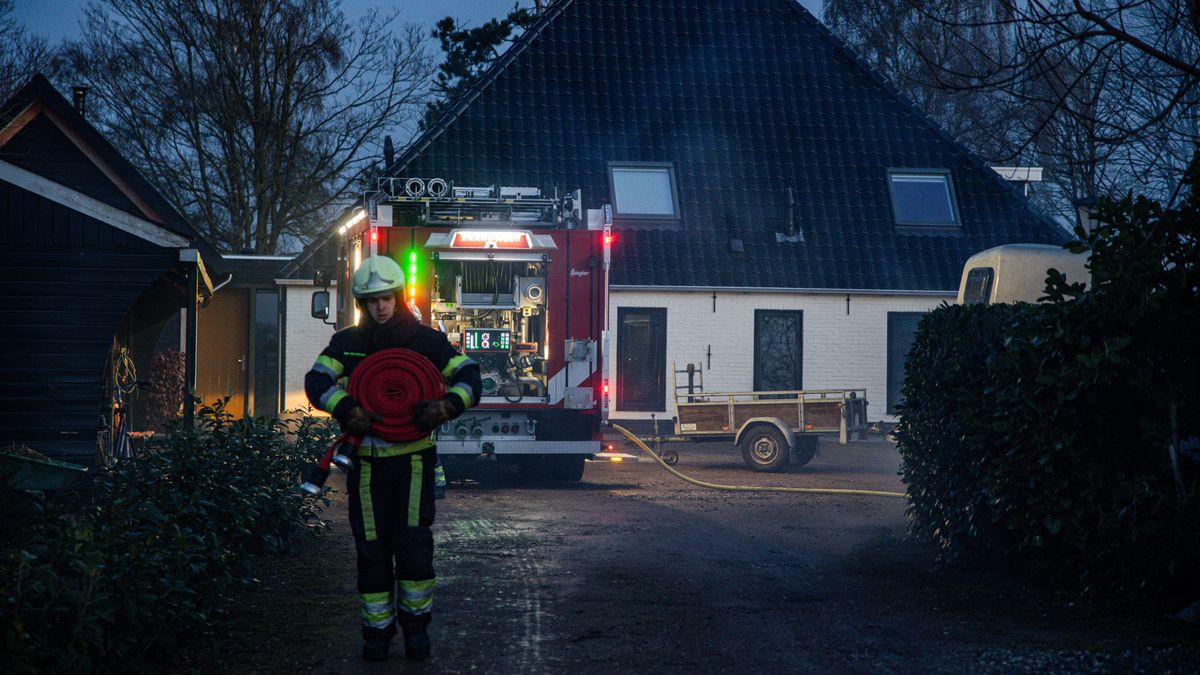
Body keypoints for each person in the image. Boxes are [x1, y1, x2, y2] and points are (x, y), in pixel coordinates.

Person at [304, 254, 481, 662]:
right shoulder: (348, 344)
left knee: (415, 548)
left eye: (386, 298)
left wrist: (446, 407)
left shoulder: (428, 342)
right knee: (372, 550)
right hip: (366, 467)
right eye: (371, 301)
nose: (380, 307)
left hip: (415, 464)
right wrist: (348, 408)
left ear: (398, 297)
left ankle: (416, 631)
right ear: (361, 303)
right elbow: (316, 382)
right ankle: (377, 635)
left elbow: (470, 377)